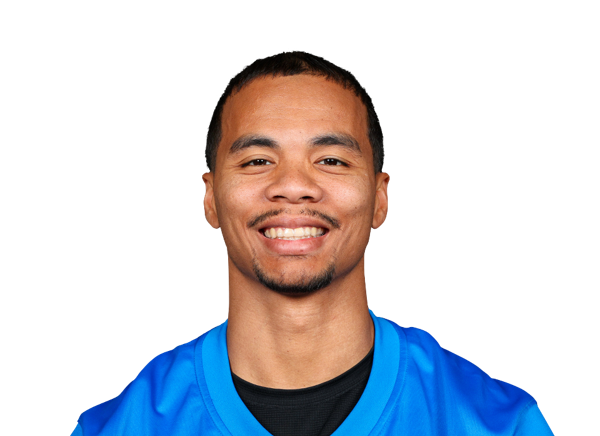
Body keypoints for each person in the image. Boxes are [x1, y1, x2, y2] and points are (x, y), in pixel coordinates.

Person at [72, 51, 553, 435]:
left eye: (331, 160)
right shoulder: (119, 427)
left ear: (380, 199)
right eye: (257, 161)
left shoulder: (500, 424)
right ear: (210, 199)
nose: (294, 186)